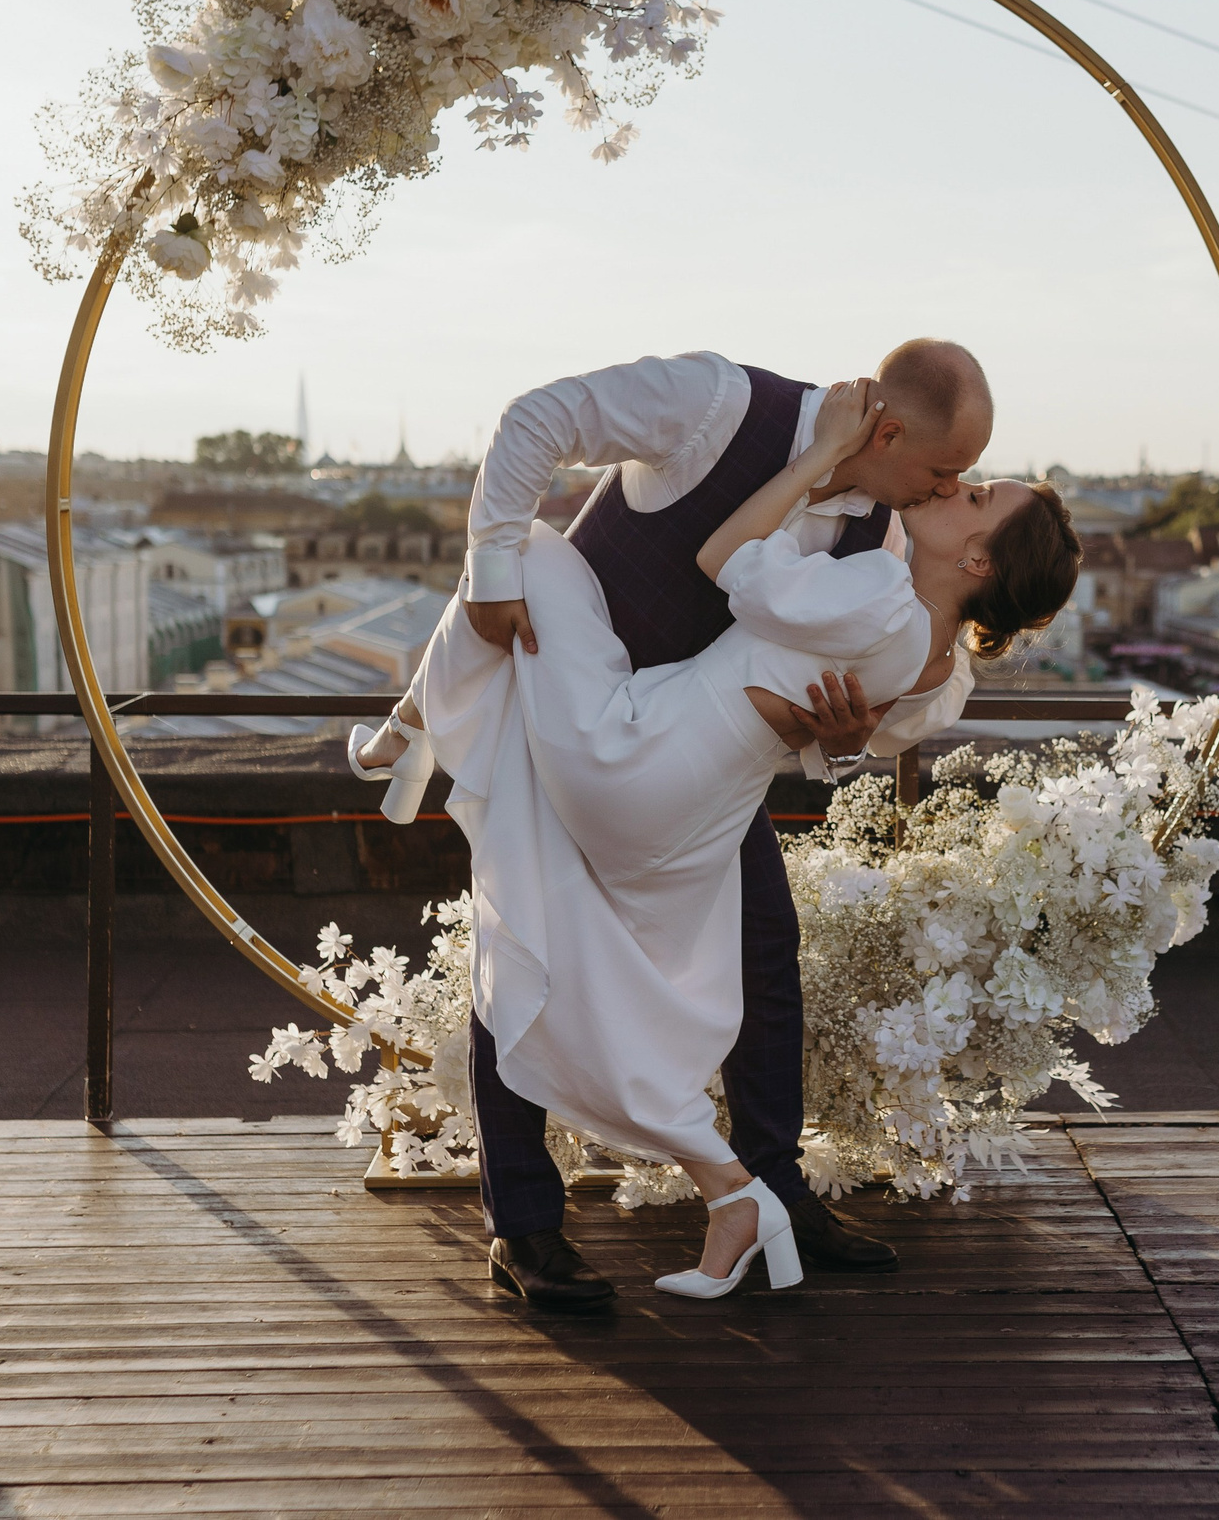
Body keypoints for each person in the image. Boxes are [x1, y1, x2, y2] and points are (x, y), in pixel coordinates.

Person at [350, 342, 1079, 1304]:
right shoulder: (719, 404)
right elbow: (536, 419)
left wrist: (844, 739)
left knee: (763, 947)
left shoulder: (892, 543)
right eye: (949, 471)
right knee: (524, 935)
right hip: (574, 701)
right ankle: (525, 1226)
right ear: (890, 433)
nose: (950, 488)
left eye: (967, 484)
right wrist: (490, 571)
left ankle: (771, 1190)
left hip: (684, 762)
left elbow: (882, 689)